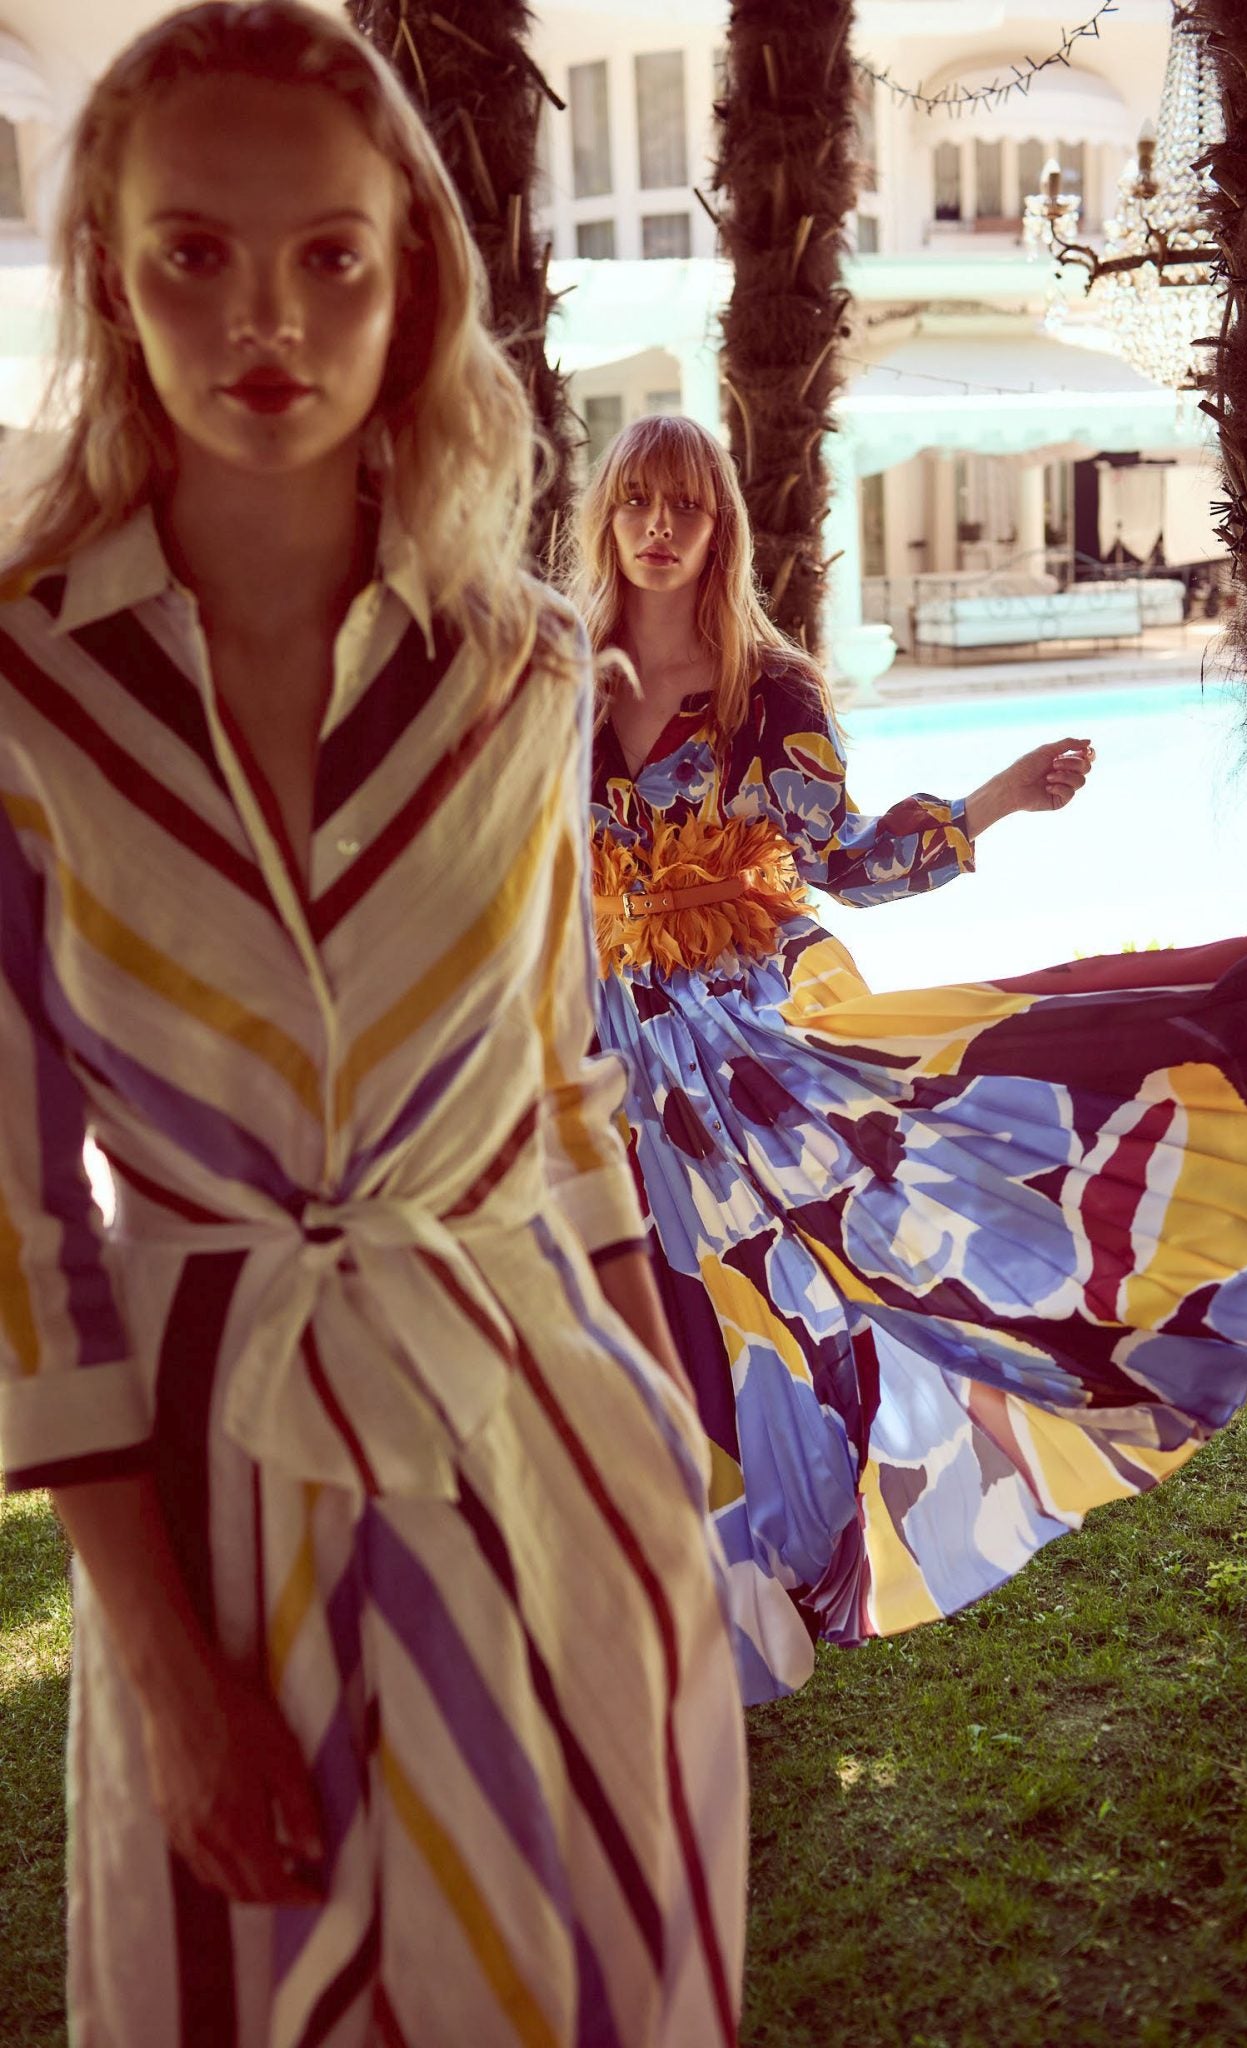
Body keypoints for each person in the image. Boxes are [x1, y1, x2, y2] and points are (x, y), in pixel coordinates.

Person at [0, 9, 745, 2043]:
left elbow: (564, 1088)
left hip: (547, 1450)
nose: (268, 316)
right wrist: (168, 1677)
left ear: (410, 277)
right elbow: (22, 1234)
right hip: (213, 1484)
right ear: (114, 280)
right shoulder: (28, 698)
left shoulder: (528, 673)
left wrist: (663, 1438)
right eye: (195, 254)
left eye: (331, 254)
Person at [569, 413, 1247, 1704]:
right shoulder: (559, 689)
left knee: (778, 1310)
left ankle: (769, 1583)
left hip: (745, 1058)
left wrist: (995, 804)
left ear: (720, 526)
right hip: (599, 1055)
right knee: (611, 1314)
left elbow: (848, 861)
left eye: (684, 504)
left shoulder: (768, 694)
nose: (657, 526)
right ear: (605, 516)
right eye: (637, 499)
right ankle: (638, 1587)